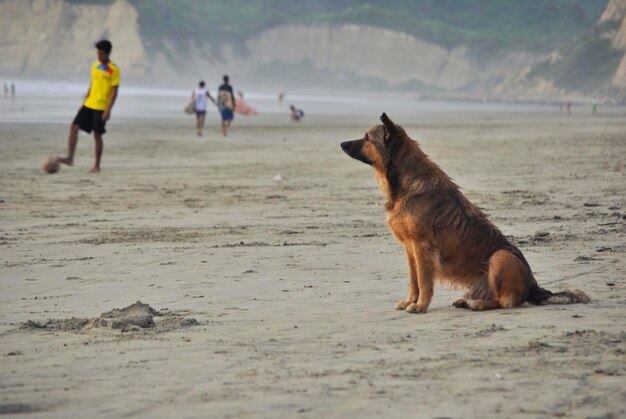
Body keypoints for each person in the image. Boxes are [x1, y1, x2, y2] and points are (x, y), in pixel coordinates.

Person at [58, 40, 120, 173]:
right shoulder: (95, 66)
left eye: (101, 53)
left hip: (101, 107)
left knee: (97, 135)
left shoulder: (113, 70)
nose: (98, 56)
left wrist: (108, 110)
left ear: (108, 53)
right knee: (74, 127)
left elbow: (114, 91)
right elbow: (92, 85)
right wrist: (83, 103)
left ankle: (97, 165)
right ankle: (70, 158)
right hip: (89, 104)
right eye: (97, 53)